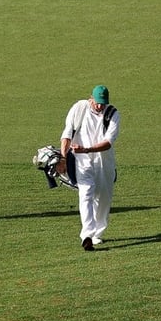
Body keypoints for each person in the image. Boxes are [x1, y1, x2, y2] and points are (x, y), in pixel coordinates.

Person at [59, 85, 120, 251]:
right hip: (82, 160)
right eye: (97, 103)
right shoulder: (79, 108)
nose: (100, 106)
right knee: (86, 192)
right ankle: (86, 234)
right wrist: (63, 159)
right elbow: (67, 135)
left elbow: (108, 143)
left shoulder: (112, 114)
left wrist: (87, 149)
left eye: (103, 103)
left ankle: (97, 234)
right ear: (91, 98)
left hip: (103, 160)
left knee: (103, 197)